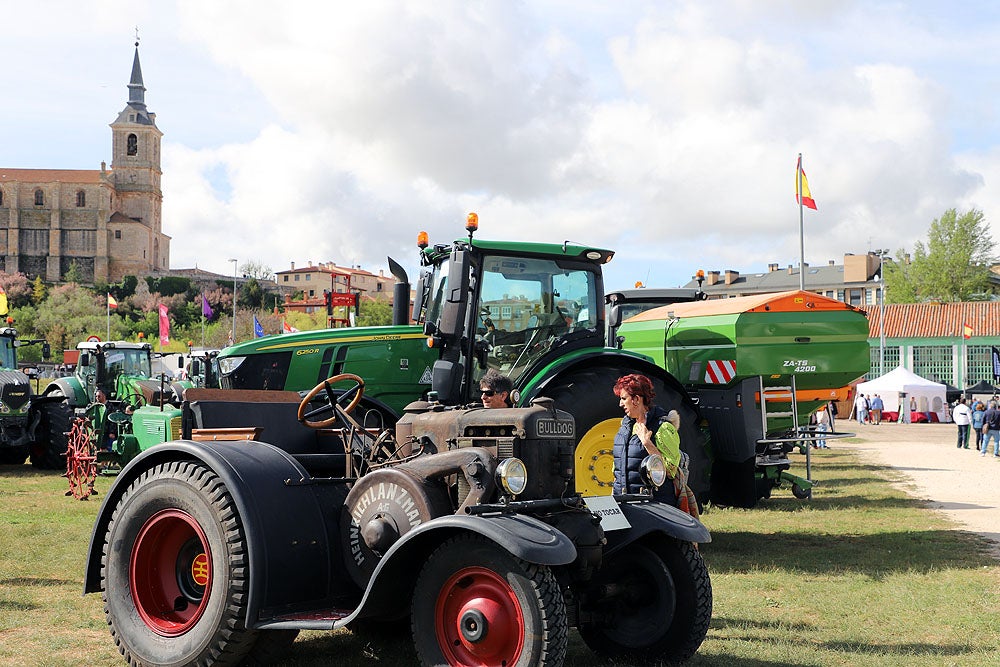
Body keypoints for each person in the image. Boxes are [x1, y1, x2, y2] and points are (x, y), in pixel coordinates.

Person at [612, 373, 698, 517]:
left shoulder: (664, 428)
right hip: (623, 504)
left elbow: (670, 471)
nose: (620, 404)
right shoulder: (624, 427)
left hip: (655, 508)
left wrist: (647, 443)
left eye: (623, 398)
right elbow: (617, 468)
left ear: (636, 399)